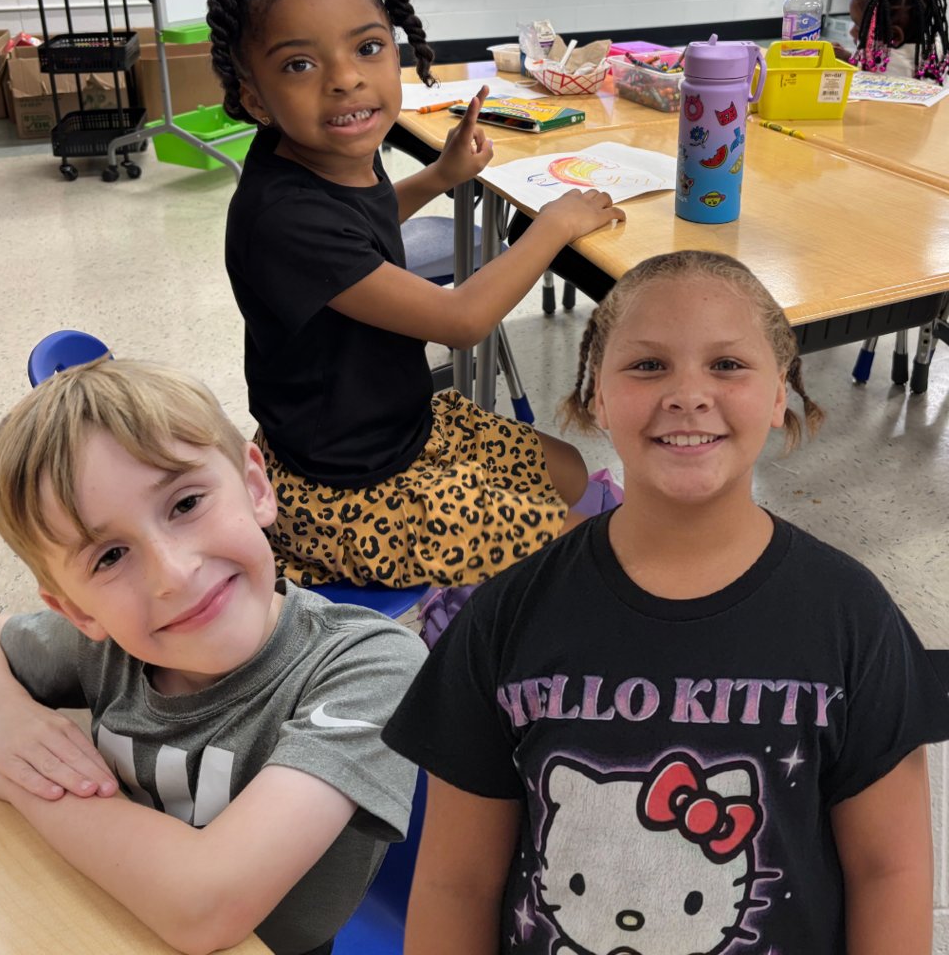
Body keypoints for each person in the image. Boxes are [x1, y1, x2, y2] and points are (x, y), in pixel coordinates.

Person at [382, 250, 949, 955]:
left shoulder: (852, 617)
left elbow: (888, 870)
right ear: (594, 395)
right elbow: (455, 883)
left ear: (780, 394)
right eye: (648, 365)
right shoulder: (506, 617)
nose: (687, 393)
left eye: (728, 365)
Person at [0, 357, 427, 955]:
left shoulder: (371, 663)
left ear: (255, 487)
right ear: (77, 610)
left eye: (184, 504)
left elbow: (206, 907)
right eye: (111, 557)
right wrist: (2, 714)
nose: (173, 574)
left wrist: (23, 785)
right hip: (111, 919)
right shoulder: (111, 648)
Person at [206, 0, 625, 591]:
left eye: (369, 48)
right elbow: (462, 321)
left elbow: (355, 230)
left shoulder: (331, 150)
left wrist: (439, 177)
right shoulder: (280, 217)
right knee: (578, 559)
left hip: (401, 427)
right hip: (348, 488)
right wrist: (555, 225)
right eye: (300, 64)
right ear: (254, 99)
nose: (345, 80)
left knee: (566, 468)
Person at [833, 0, 949, 83]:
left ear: (893, 35)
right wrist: (846, 57)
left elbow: (865, 80)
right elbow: (866, 65)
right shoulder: (932, 45)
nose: (851, 32)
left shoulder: (894, 66)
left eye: (858, 26)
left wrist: (843, 61)